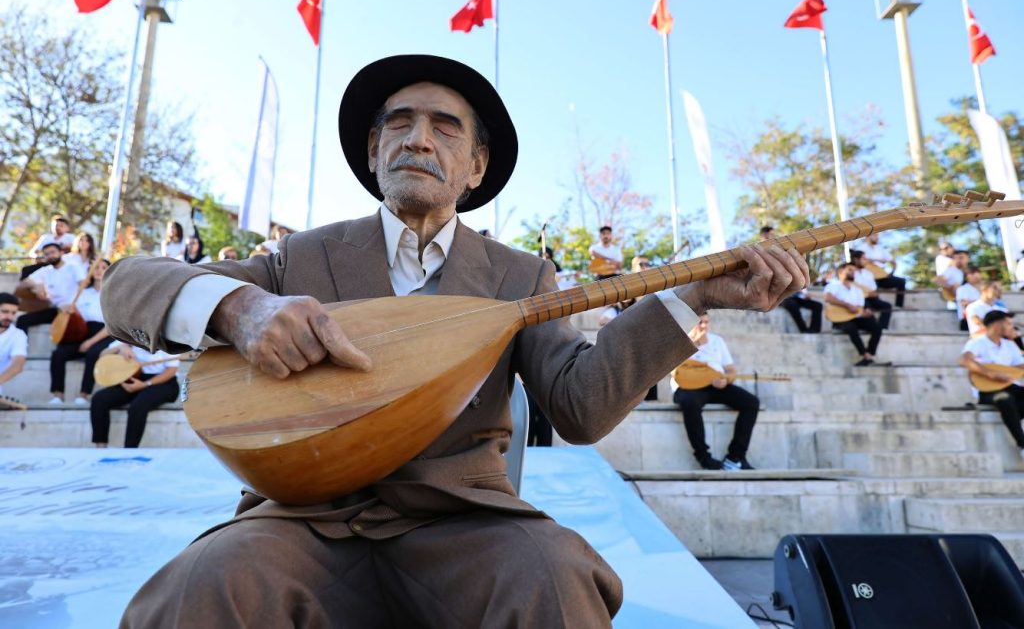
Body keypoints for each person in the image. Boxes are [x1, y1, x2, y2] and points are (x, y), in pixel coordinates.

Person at [102, 54, 808, 627]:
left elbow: (579, 405)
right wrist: (242, 309)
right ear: (374, 148)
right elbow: (128, 286)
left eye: (445, 126)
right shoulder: (302, 259)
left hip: (465, 526)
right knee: (198, 587)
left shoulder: (521, 274)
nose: (418, 137)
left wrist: (690, 298)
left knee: (556, 577)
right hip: (302, 524)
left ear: (474, 167)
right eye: (400, 123)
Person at [671, 313, 759, 470]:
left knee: (751, 402)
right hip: (688, 388)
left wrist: (726, 380)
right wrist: (694, 342)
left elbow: (731, 370)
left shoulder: (717, 341)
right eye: (700, 323)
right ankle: (703, 457)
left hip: (716, 385)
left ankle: (735, 457)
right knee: (689, 403)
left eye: (706, 322)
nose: (704, 326)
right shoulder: (679, 341)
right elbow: (674, 370)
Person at [959, 310, 1024, 462]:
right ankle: (1022, 444)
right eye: (1008, 324)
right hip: (988, 390)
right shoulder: (977, 343)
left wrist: (1019, 342)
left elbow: (1019, 367)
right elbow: (965, 361)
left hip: (1011, 387)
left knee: (1011, 399)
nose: (1011, 328)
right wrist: (991, 374)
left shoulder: (1010, 346)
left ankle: (1012, 415)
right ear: (996, 325)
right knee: (1005, 399)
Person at [90, 340, 180, 448]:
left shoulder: (167, 340)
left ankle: (130, 450)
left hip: (163, 383)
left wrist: (146, 384)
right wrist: (120, 348)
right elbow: (102, 355)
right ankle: (101, 447)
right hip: (134, 378)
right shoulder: (129, 336)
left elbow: (171, 371)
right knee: (99, 399)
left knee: (137, 406)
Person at [48, 259, 114, 406]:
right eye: (96, 267)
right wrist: (66, 309)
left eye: (103, 268)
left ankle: (84, 395)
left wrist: (90, 342)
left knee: (92, 353)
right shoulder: (83, 293)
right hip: (82, 331)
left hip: (104, 333)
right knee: (58, 354)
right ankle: (58, 394)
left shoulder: (114, 295)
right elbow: (70, 309)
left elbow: (112, 326)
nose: (99, 270)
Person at [825, 262, 886, 366]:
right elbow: (828, 298)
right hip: (840, 319)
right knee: (850, 327)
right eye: (850, 270)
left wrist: (864, 313)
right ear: (840, 272)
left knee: (877, 327)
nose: (853, 273)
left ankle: (869, 354)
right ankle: (865, 355)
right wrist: (847, 305)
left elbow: (859, 308)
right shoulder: (833, 285)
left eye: (854, 271)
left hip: (856, 317)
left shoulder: (857, 289)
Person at [762, 226, 821, 333]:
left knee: (818, 306)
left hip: (795, 295)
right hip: (781, 297)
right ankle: (804, 330)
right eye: (771, 234)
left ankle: (814, 330)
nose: (774, 236)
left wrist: (805, 294)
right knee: (791, 304)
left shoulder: (784, 255)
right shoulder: (763, 253)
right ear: (765, 235)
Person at [15, 241, 81, 331]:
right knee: (22, 320)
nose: (50, 256)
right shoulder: (45, 271)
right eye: (46, 254)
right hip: (54, 309)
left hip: (74, 309)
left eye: (53, 252)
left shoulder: (74, 267)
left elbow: (84, 286)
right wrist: (36, 286)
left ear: (61, 252)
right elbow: (23, 284)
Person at [859, 233, 906, 308]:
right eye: (875, 235)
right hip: (869, 277)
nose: (877, 237)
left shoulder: (880, 248)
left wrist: (892, 272)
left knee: (901, 281)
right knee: (873, 287)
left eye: (877, 235)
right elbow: (861, 262)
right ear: (867, 236)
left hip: (882, 275)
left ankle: (899, 306)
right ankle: (875, 306)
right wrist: (876, 260)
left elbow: (893, 262)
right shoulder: (861, 249)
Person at [851, 250, 892, 330]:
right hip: (857, 299)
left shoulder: (868, 273)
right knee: (866, 307)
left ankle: (881, 327)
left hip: (870, 298)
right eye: (863, 259)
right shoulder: (850, 272)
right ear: (856, 260)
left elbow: (873, 289)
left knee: (887, 306)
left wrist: (872, 293)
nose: (866, 261)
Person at [0, 293, 27, 399]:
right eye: (5, 312)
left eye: (13, 313)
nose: (9, 317)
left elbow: (18, 365)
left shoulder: (18, 335)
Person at [955, 266, 983, 331]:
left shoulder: (983, 289)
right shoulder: (962, 289)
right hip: (968, 320)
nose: (975, 276)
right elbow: (964, 303)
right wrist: (983, 302)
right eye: (972, 274)